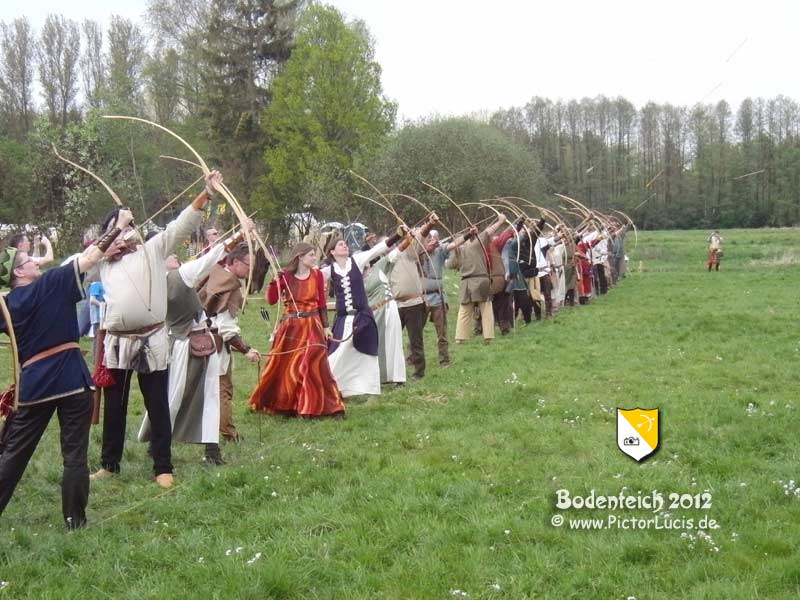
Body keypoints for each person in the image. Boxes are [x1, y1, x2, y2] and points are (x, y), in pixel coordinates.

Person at [0, 209, 133, 528]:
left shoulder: (6, 305)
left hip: (34, 387)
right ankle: (75, 520)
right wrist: (119, 226)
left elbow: (91, 257)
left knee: (13, 456)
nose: (34, 260)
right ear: (18, 273)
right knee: (74, 455)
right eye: (27, 259)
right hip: (72, 381)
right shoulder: (53, 282)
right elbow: (89, 258)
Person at [90, 171, 221, 489]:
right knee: (115, 407)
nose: (122, 236)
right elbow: (94, 252)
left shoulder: (152, 250)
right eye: (115, 232)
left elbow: (181, 225)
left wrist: (205, 193)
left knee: (157, 404)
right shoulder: (103, 262)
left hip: (151, 340)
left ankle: (163, 466)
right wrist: (116, 230)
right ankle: (110, 464)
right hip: (118, 343)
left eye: (125, 230)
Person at [138, 223, 251, 465]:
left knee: (177, 396)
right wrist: (241, 234)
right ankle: (179, 447)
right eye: (169, 252)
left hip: (181, 343)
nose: (175, 254)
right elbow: (214, 255)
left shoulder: (148, 282)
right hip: (192, 344)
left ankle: (190, 448)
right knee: (191, 397)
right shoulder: (179, 276)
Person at [249, 243, 346, 417]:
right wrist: (275, 282)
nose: (314, 258)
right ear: (300, 257)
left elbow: (322, 304)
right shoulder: (286, 275)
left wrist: (326, 327)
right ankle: (288, 404)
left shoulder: (317, 275)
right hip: (291, 327)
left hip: (312, 325)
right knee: (288, 366)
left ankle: (322, 405)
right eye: (310, 255)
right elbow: (271, 300)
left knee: (315, 363)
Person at [322, 232, 399, 397]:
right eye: (340, 244)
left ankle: (367, 389)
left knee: (366, 354)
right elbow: (310, 275)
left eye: (345, 244)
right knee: (337, 353)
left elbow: (378, 249)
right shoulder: (329, 270)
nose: (345, 246)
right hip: (343, 319)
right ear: (332, 252)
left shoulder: (356, 261)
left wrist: (397, 235)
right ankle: (334, 388)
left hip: (363, 316)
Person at [198, 243, 261, 442]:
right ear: (234, 262)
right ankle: (228, 434)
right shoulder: (229, 284)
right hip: (213, 344)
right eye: (247, 265)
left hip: (196, 339)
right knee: (222, 390)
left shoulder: (215, 273)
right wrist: (247, 350)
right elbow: (226, 328)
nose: (250, 269)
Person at [453, 214, 507, 344]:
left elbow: (451, 263)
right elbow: (488, 231)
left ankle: (460, 338)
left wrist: (470, 234)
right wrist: (500, 221)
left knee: (464, 311)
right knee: (486, 309)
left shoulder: (457, 250)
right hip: (480, 280)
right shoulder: (475, 245)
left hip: (466, 282)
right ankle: (488, 337)